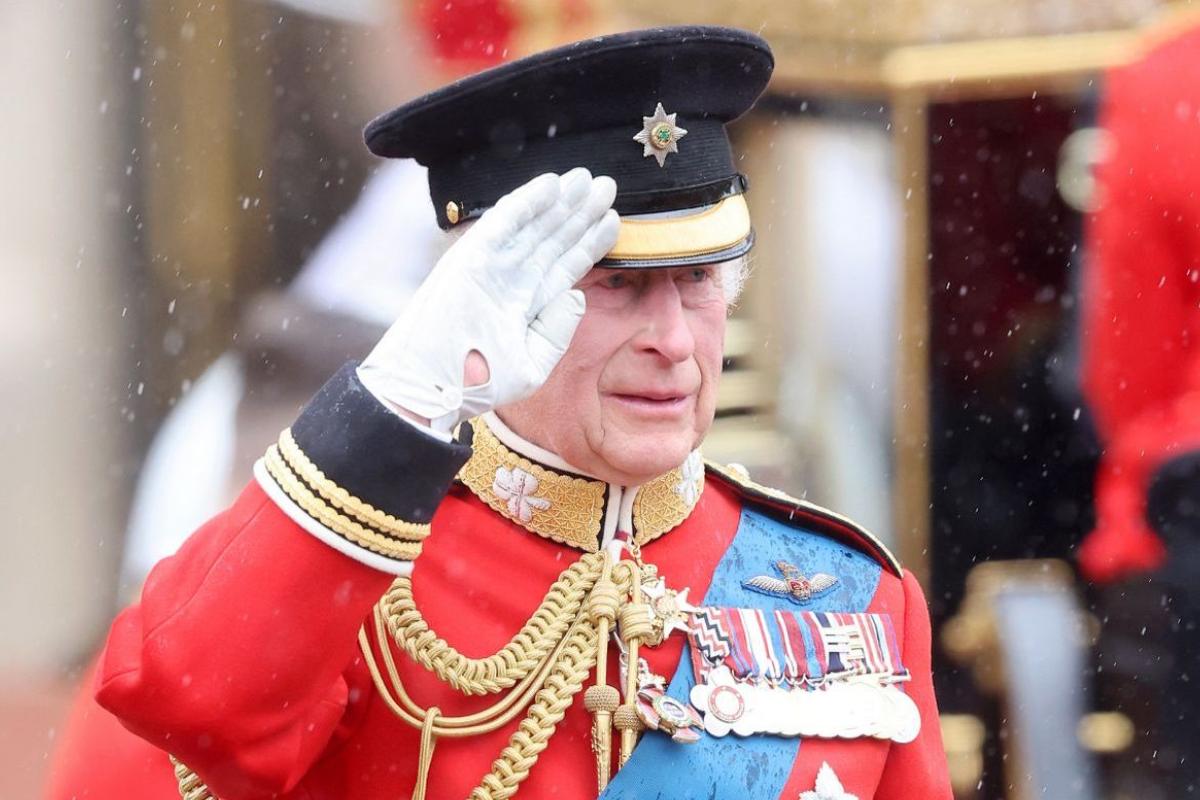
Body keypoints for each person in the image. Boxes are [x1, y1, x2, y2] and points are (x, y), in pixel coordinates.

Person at [91, 27, 951, 799]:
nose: (673, 341)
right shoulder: (360, 577)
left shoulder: (856, 596)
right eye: (617, 284)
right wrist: (400, 398)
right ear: (501, 300)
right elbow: (180, 700)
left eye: (697, 281)